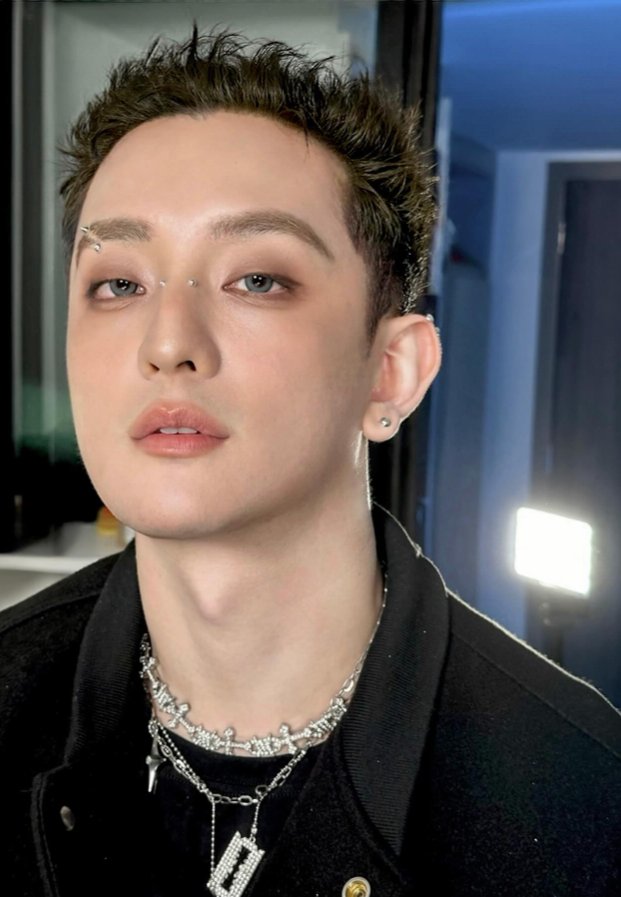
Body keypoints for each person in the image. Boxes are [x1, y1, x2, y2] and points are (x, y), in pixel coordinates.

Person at [1, 28, 619, 897]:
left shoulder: (580, 803)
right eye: (119, 284)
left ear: (391, 370)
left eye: (256, 279)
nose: (167, 343)